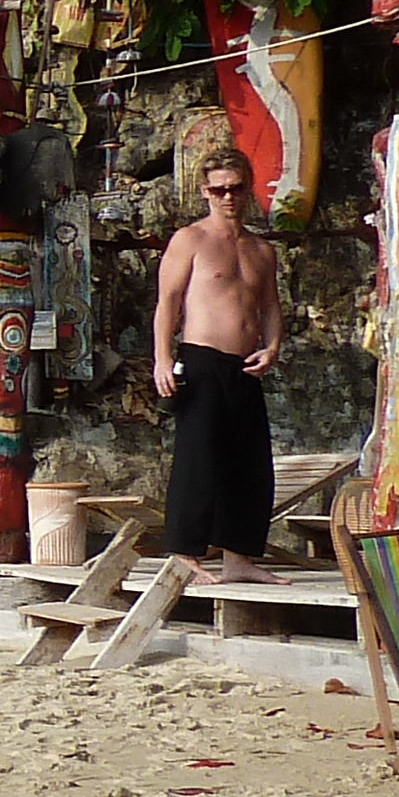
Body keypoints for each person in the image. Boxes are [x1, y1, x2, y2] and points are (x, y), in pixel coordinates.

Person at [155, 147, 284, 581]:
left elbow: (269, 305)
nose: (228, 197)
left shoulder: (261, 249)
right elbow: (168, 301)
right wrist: (162, 358)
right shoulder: (191, 239)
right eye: (219, 189)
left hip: (244, 363)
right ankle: (184, 552)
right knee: (199, 457)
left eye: (235, 188)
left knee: (250, 461)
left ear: (248, 189)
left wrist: (273, 346)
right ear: (205, 192)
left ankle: (239, 556)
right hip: (201, 356)